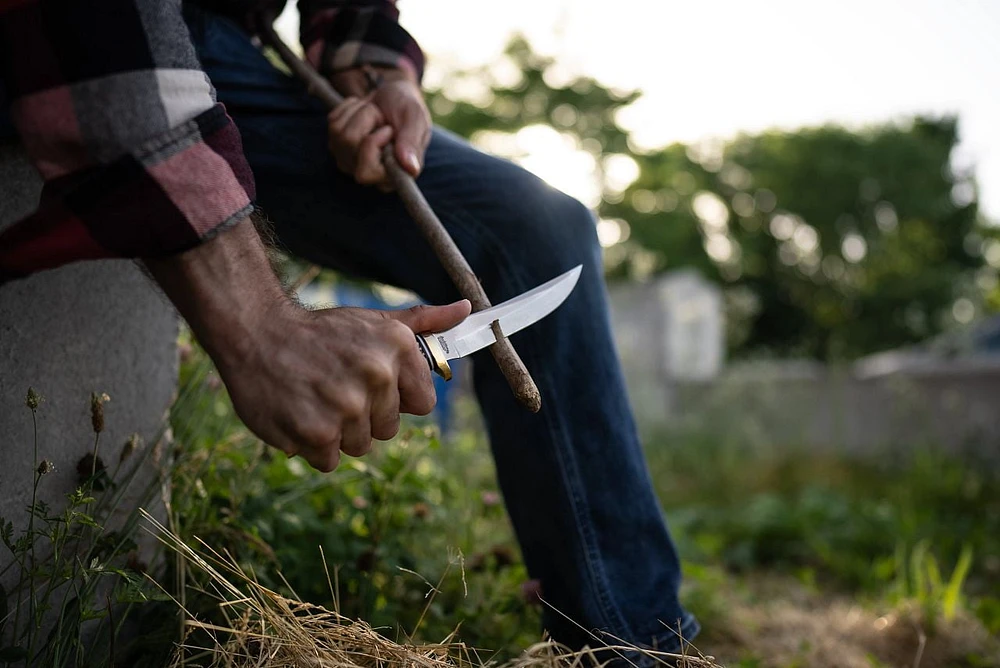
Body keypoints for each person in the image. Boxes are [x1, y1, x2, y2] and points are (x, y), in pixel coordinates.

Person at [0, 0, 698, 656]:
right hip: (106, 30)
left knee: (544, 230)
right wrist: (258, 323)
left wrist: (378, 78)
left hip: (225, 45)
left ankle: (633, 648)